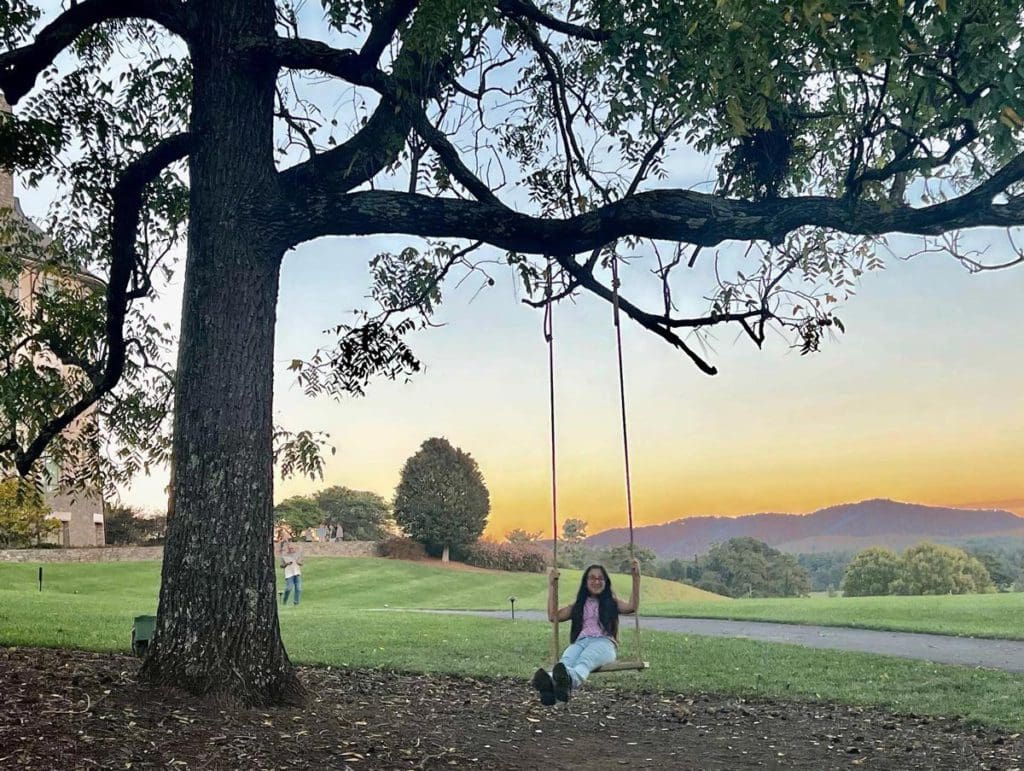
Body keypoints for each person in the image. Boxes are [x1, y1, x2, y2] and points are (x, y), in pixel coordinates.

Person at [531, 559, 641, 705]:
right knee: (565, 662)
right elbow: (553, 616)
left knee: (584, 661)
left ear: (606, 582)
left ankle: (563, 681)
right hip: (581, 642)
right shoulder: (578, 605)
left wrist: (636, 577)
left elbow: (632, 606)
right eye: (592, 578)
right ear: (585, 582)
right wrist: (552, 585)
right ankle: (550, 688)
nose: (596, 581)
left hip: (604, 644)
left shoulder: (612, 602)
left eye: (600, 578)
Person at [279, 540, 304, 606]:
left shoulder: (297, 555)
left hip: (297, 573)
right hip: (289, 574)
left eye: (292, 548)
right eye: (290, 548)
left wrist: (299, 562)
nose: (291, 549)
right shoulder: (285, 556)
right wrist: (286, 564)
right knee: (289, 588)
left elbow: (301, 563)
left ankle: (296, 603)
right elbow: (281, 566)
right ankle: (285, 600)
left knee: (298, 588)